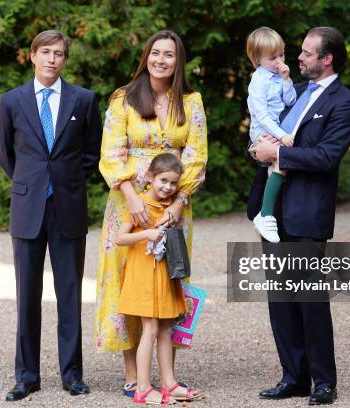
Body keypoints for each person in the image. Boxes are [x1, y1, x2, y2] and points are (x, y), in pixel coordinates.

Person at [249, 27, 350, 405]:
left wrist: (277, 156)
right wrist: (257, 148)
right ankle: (292, 377)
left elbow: (327, 157)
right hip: (274, 212)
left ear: (326, 58)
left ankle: (323, 382)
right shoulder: (291, 90)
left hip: (307, 211)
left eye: (307, 53)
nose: (298, 57)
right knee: (280, 300)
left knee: (310, 301)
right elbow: (265, 126)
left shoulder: (345, 102)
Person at [94, 29, 208, 398]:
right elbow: (111, 152)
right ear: (147, 57)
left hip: (176, 203)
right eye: (156, 53)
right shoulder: (124, 98)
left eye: (169, 54)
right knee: (128, 281)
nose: (161, 60)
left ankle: (169, 375)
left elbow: (196, 155)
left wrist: (178, 202)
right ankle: (133, 373)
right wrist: (132, 197)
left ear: (178, 61)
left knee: (169, 281)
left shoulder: (190, 102)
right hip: (128, 201)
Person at [0, 30, 102, 402]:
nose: (52, 59)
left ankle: (72, 375)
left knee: (69, 294)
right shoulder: (11, 101)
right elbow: (6, 154)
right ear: (32, 56)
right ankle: (27, 376)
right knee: (27, 295)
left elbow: (92, 153)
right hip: (28, 209)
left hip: (68, 207)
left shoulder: (84, 100)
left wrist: (66, 182)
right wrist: (32, 185)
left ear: (64, 60)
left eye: (58, 53)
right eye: (45, 52)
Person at [115, 153, 201, 405]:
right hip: (143, 276)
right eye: (163, 180)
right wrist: (146, 234)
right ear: (151, 178)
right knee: (150, 328)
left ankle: (169, 383)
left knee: (166, 328)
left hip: (164, 276)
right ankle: (142, 388)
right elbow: (120, 239)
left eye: (173, 183)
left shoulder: (171, 207)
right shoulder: (139, 205)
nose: (168, 187)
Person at [246, 27, 296, 243]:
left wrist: (286, 79)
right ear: (257, 59)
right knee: (280, 162)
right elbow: (261, 115)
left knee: (279, 166)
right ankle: (265, 214)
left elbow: (291, 101)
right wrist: (282, 135)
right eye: (273, 57)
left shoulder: (279, 75)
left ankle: (266, 215)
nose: (279, 61)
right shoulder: (258, 81)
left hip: (277, 126)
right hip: (263, 129)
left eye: (282, 54)